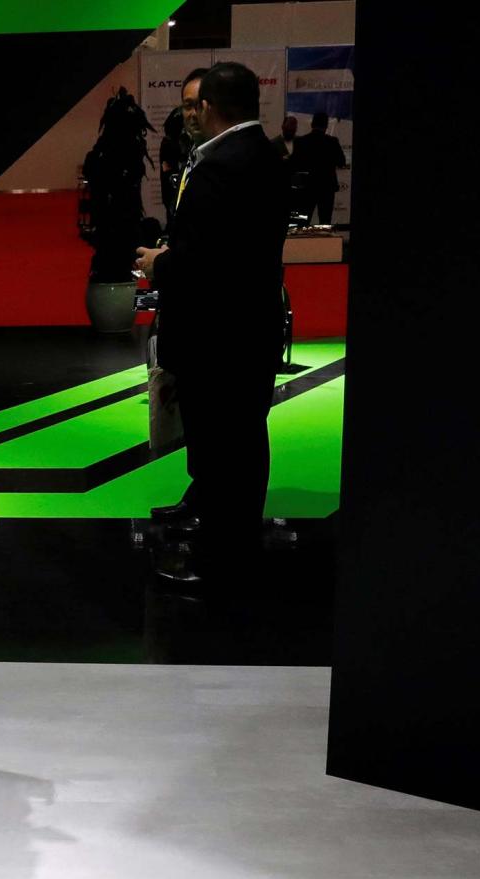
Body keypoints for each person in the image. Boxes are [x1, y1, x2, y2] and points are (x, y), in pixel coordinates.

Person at [134, 61, 287, 588]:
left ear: (211, 106)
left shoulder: (225, 164)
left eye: (195, 104)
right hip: (243, 331)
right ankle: (222, 537)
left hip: (221, 337)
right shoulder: (260, 155)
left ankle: (223, 555)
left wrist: (161, 264)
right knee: (233, 441)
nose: (189, 113)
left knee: (229, 447)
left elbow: (211, 261)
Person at [288, 112, 346, 227]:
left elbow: (293, 165)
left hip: (306, 188)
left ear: (312, 124)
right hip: (326, 188)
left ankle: (300, 245)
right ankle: (324, 245)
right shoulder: (332, 142)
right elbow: (341, 162)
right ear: (326, 126)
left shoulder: (300, 142)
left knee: (301, 223)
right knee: (325, 222)